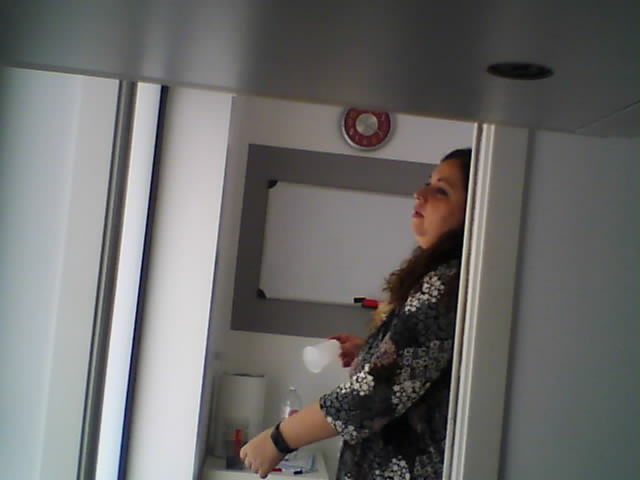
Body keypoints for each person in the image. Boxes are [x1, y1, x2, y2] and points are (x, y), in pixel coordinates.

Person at [240, 148, 472, 480]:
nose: (419, 194)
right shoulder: (441, 277)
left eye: (441, 190)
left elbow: (375, 392)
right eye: (428, 183)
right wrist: (370, 351)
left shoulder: (445, 284)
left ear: (472, 213)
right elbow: (415, 368)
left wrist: (279, 438)